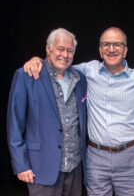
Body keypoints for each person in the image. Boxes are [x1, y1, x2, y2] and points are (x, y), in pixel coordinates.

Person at [23, 27, 134, 196]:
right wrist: (37, 60)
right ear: (100, 50)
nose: (112, 49)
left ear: (125, 50)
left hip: (131, 157)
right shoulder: (86, 72)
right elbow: (58, 63)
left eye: (117, 44)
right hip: (96, 158)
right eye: (106, 44)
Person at [7, 28, 87, 196]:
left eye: (69, 50)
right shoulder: (27, 75)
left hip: (74, 168)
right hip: (41, 168)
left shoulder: (80, 79)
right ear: (48, 49)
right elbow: (15, 124)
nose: (65, 54)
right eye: (60, 49)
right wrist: (21, 165)